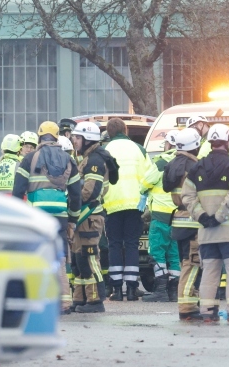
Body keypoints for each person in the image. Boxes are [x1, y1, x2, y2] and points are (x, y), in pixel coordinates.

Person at [181, 124, 229, 322]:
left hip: (207, 233)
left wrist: (202, 217)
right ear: (228, 142)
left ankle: (207, 312)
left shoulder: (197, 167)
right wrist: (219, 217)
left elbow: (187, 196)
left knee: (209, 272)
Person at [12, 121, 82, 309]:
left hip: (36, 215)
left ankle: (39, 299)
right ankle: (64, 302)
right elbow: (76, 194)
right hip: (60, 214)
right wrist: (73, 220)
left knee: (37, 254)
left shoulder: (30, 158)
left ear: (39, 136)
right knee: (59, 256)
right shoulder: (69, 160)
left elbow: (18, 190)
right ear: (57, 136)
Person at [69, 121, 118, 313]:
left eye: (77, 137)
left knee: (90, 258)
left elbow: (90, 191)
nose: (74, 140)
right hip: (84, 216)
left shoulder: (95, 161)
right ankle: (81, 299)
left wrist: (72, 200)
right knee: (79, 259)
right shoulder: (87, 158)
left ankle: (96, 300)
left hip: (90, 216)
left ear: (88, 140)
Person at [103, 117, 150, 301]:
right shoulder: (139, 149)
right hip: (134, 204)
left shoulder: (106, 150)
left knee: (114, 244)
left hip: (112, 204)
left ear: (109, 132)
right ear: (126, 130)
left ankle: (116, 289)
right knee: (131, 244)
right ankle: (131, 288)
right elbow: (150, 176)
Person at [164, 128, 205, 320]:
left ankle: (190, 303)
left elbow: (166, 187)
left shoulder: (171, 164)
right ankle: (188, 307)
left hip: (179, 221)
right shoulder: (195, 166)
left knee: (185, 263)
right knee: (192, 264)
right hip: (194, 221)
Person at [141, 131, 180, 302]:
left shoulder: (161, 161)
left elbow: (146, 182)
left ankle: (161, 290)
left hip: (161, 215)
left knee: (157, 252)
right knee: (174, 253)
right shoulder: (186, 162)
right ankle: (174, 291)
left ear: (169, 144)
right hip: (179, 216)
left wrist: (143, 192)